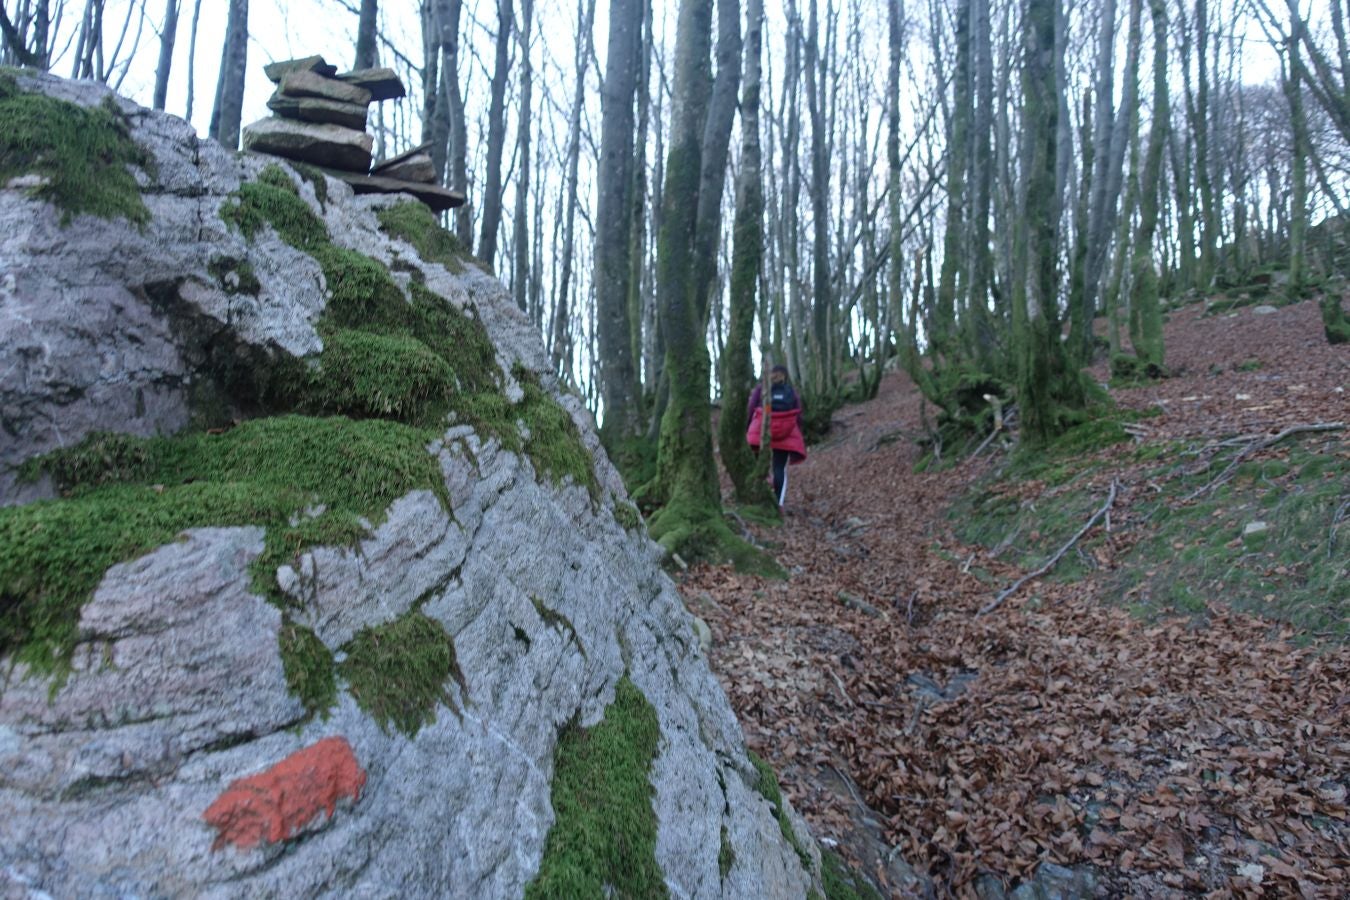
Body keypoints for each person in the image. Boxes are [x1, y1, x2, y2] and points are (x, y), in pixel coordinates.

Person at [746, 365, 807, 510]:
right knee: (779, 468)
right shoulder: (791, 392)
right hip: (785, 435)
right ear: (785, 376)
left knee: (757, 463)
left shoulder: (761, 390)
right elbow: (798, 415)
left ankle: (758, 497)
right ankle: (779, 503)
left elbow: (751, 408)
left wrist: (748, 427)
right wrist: (797, 432)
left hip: (762, 432)